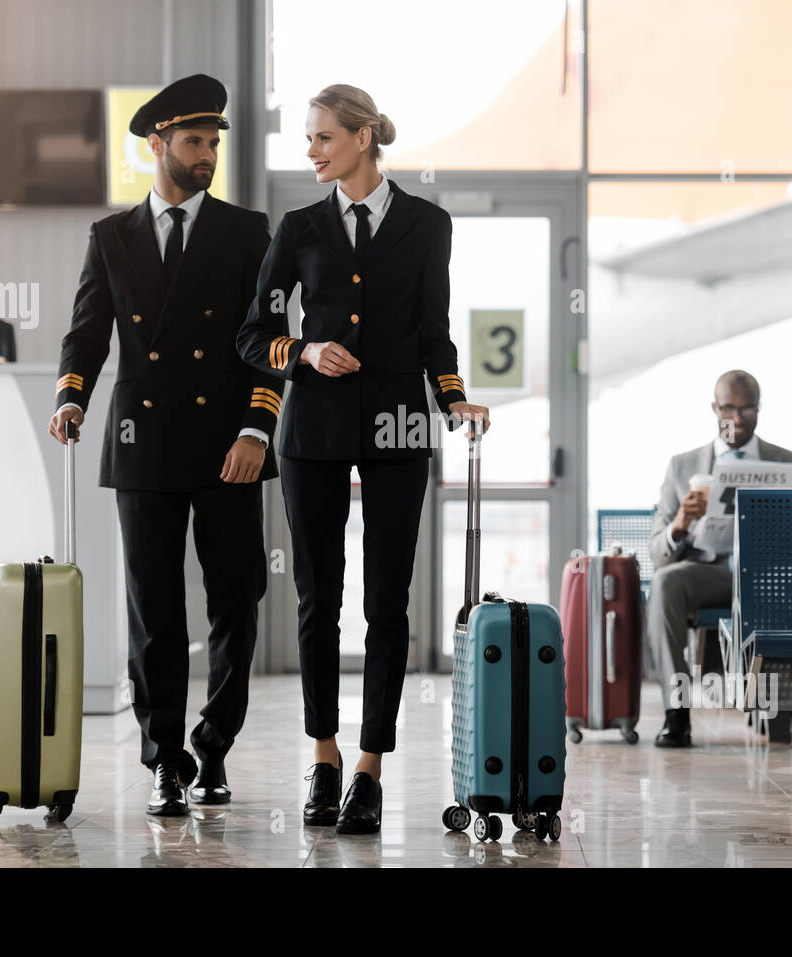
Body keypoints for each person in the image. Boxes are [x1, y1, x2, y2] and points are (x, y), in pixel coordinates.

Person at [237, 84, 489, 834]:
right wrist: (305, 350)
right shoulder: (299, 227)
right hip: (311, 430)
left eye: (321, 138)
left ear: (362, 137)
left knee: (388, 604)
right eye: (309, 138)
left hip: (398, 430)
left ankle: (371, 769)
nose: (310, 150)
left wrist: (454, 400)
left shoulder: (426, 225)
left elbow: (434, 335)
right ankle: (324, 757)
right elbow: (253, 336)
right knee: (319, 602)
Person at [47, 74, 281, 817]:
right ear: (157, 146)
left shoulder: (247, 232)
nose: (206, 154)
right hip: (142, 439)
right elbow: (87, 331)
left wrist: (256, 426)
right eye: (193, 142)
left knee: (237, 599)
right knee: (155, 609)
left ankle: (213, 748)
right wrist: (71, 395)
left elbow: (264, 341)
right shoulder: (110, 237)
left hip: (228, 446)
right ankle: (165, 760)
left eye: (213, 143)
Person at [647, 370, 792, 748]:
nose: (736, 420)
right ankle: (677, 713)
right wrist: (680, 523)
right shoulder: (683, 466)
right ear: (713, 409)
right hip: (709, 573)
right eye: (728, 409)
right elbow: (658, 551)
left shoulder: (791, 464)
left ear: (759, 410)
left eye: (746, 410)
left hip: (770, 577)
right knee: (666, 582)